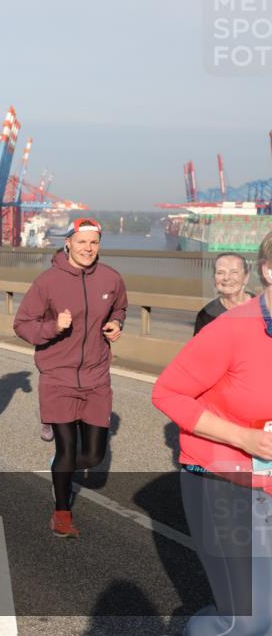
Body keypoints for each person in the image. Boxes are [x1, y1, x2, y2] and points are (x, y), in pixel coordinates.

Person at [152, 231, 271, 635]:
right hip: (221, 479)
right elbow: (167, 393)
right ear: (268, 271)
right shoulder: (230, 328)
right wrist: (243, 438)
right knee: (246, 620)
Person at [13, 217, 128, 538]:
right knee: (67, 450)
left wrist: (116, 324)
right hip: (58, 377)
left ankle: (59, 467)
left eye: (93, 242)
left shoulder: (111, 278)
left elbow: (120, 308)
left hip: (96, 376)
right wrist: (53, 327)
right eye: (81, 242)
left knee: (93, 456)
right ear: (68, 244)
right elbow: (22, 324)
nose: (88, 248)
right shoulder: (48, 282)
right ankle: (61, 514)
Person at [194, 252, 253, 335]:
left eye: (234, 272)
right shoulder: (206, 316)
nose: (226, 278)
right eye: (220, 272)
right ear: (214, 278)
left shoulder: (264, 306)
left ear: (246, 277)